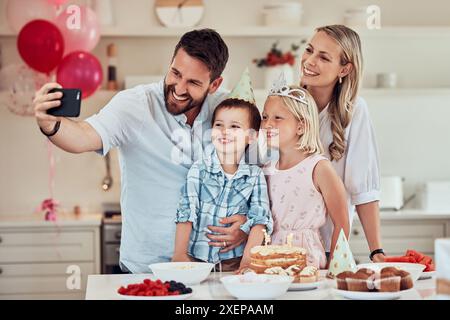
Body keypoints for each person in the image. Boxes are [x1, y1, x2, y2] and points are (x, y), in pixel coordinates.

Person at [32, 29, 249, 273]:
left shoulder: (230, 110)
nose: (178, 88)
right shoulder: (135, 105)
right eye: (175, 73)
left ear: (214, 84)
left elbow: (256, 177)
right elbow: (84, 136)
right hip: (149, 268)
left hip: (216, 267)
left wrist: (246, 223)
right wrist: (51, 125)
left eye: (193, 82)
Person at [173, 70, 272, 271]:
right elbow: (186, 212)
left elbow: (260, 221)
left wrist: (247, 263)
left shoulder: (255, 176)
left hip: (234, 263)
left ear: (251, 136)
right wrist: (179, 254)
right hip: (197, 263)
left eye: (234, 126)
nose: (225, 131)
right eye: (219, 125)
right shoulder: (199, 170)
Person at [300, 25, 384, 262]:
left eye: (324, 57)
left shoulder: (355, 112)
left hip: (328, 248)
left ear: (345, 69)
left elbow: (363, 188)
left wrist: (376, 250)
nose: (309, 60)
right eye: (309, 50)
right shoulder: (283, 103)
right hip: (280, 246)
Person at [261, 77, 349, 269]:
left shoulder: (318, 168)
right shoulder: (266, 169)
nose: (267, 124)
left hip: (307, 261)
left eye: (277, 118)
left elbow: (342, 223)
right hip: (270, 261)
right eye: (264, 117)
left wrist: (336, 268)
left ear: (300, 126)